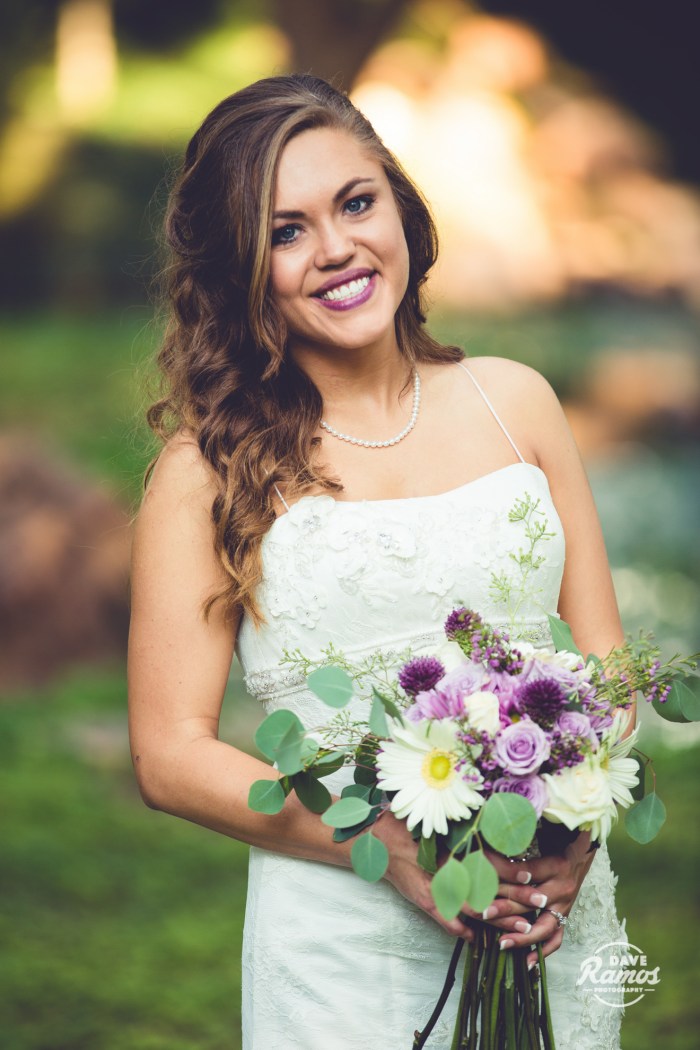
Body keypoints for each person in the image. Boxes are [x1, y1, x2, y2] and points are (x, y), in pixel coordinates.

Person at [127, 74, 632, 1049]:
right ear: (241, 265)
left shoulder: (513, 400)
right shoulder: (205, 471)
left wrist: (581, 821)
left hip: (546, 918)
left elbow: (605, 660)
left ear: (399, 204)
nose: (336, 249)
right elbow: (168, 754)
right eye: (286, 231)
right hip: (340, 943)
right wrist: (381, 843)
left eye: (355, 202)